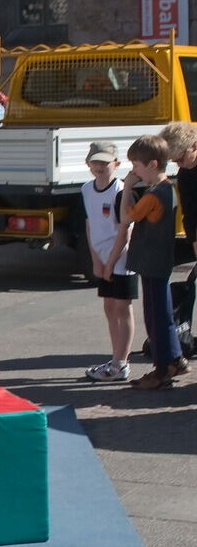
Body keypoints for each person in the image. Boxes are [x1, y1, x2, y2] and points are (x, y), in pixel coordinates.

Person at [104, 135, 190, 389]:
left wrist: (127, 187)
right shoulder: (168, 188)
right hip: (160, 261)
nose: (133, 171)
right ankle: (175, 359)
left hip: (152, 263)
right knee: (161, 313)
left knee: (155, 316)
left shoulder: (153, 195)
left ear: (152, 165)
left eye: (136, 166)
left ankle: (162, 370)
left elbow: (125, 218)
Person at [81, 141, 136, 382]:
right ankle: (115, 358)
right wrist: (96, 261)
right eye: (95, 162)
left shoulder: (122, 192)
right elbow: (90, 223)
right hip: (102, 258)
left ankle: (121, 363)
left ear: (117, 164)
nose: (99, 167)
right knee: (109, 307)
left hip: (123, 259)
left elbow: (125, 231)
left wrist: (111, 262)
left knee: (122, 307)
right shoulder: (86, 189)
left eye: (105, 162)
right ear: (87, 163)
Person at [159, 121, 197, 260]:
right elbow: (190, 212)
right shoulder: (184, 173)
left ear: (194, 146)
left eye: (180, 159)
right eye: (174, 161)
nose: (178, 165)